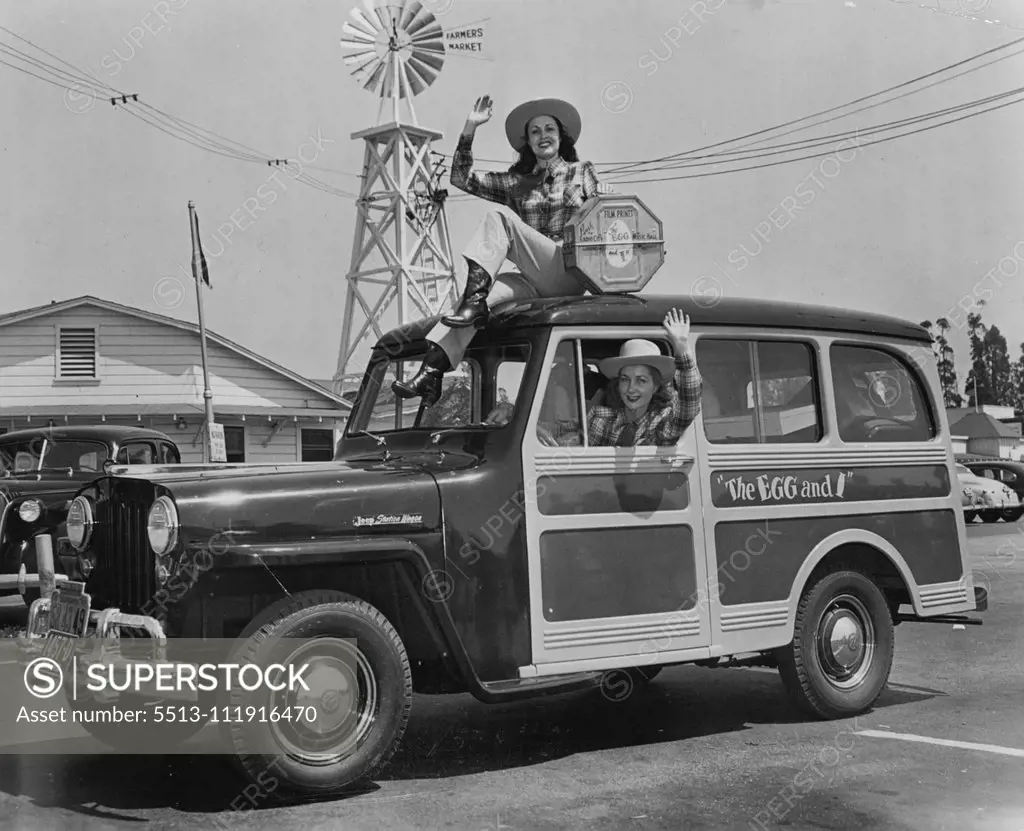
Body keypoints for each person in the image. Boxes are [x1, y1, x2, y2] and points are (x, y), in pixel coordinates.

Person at [392, 94, 613, 405]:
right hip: (532, 278)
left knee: (499, 221)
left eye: (549, 129)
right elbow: (460, 178)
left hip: (568, 270)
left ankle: (474, 301)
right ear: (527, 142)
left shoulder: (581, 171)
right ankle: (432, 372)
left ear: (561, 136)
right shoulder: (517, 182)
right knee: (471, 306)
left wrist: (607, 209)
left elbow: (606, 215)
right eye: (535, 132)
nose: (542, 136)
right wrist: (471, 126)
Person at [587, 309, 703, 447]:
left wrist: (681, 345)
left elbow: (689, 404)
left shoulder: (661, 422)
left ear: (655, 387)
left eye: (641, 380)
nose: (631, 388)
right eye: (625, 379)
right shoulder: (600, 418)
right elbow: (570, 441)